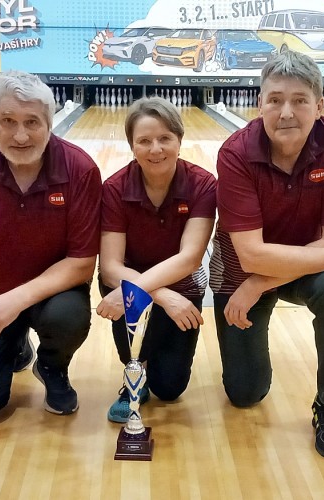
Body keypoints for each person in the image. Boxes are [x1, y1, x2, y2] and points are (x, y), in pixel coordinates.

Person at [209, 51, 324, 458]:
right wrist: (255, 279)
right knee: (245, 394)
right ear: (260, 104)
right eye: (275, 100)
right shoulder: (236, 153)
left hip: (297, 269)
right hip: (239, 272)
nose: (286, 112)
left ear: (319, 106)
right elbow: (251, 256)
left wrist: (260, 284)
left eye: (299, 100)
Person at [0, 70, 102, 422]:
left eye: (32, 122)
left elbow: (82, 263)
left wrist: (15, 300)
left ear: (50, 123)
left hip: (50, 298)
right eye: (8, 121)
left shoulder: (79, 168)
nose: (21, 135)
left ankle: (52, 366)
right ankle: (15, 346)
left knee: (68, 316)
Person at [96, 97, 216, 423]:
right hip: (129, 286)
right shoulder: (115, 188)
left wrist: (152, 291)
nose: (155, 149)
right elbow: (110, 267)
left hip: (181, 285)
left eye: (165, 138)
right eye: (144, 141)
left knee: (170, 387)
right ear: (131, 146)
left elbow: (190, 258)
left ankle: (152, 369)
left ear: (179, 139)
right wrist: (160, 295)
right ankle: (134, 378)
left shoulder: (203, 185)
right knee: (125, 295)